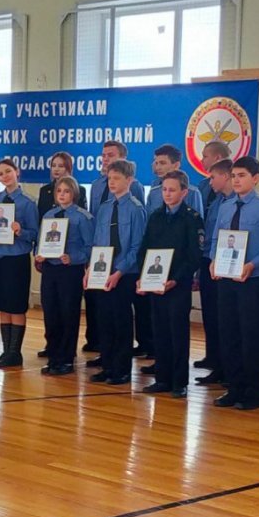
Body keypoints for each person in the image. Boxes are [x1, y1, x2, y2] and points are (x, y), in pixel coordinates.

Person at [210, 156, 259, 410]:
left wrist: (253, 263)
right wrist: (213, 260)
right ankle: (234, 388)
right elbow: (216, 239)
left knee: (251, 336)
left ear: (255, 178)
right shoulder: (225, 206)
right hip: (226, 280)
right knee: (229, 334)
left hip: (253, 281)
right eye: (234, 176)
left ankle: (254, 391)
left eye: (242, 176)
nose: (237, 180)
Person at [138, 170, 204, 398]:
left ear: (184, 192)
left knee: (177, 332)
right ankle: (162, 378)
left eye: (172, 189)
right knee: (160, 331)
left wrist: (175, 279)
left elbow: (194, 255)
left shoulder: (191, 218)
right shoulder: (156, 216)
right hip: (156, 283)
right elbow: (145, 248)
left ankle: (179, 382)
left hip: (178, 284)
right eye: (164, 189)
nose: (167, 194)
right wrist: (142, 275)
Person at [87, 159, 147, 385]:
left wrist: (119, 271)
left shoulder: (135, 208)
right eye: (110, 178)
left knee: (121, 321)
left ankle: (121, 369)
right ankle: (108, 365)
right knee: (104, 320)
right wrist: (91, 268)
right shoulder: (104, 208)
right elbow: (97, 242)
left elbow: (137, 246)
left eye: (117, 179)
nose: (112, 183)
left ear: (129, 180)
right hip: (103, 271)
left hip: (124, 273)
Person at [0, 158, 39, 368]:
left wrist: (20, 231)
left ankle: (15, 352)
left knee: (15, 306)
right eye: (0, 174)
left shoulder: (27, 202)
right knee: (2, 305)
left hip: (16, 259)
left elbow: (35, 234)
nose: (5, 176)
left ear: (17, 172)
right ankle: (6, 351)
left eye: (8, 171)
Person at [37, 177, 94, 375]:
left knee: (68, 313)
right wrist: (40, 253)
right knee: (51, 312)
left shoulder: (82, 217)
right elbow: (42, 240)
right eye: (59, 191)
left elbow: (90, 248)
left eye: (66, 191)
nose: (62, 194)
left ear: (74, 194)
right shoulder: (49, 215)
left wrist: (74, 257)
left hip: (70, 269)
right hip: (50, 268)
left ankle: (66, 358)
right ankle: (53, 355)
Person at [195, 158, 234, 384]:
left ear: (225, 176)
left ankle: (229, 369)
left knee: (228, 320)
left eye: (213, 177)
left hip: (231, 266)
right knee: (212, 316)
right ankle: (217, 364)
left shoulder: (236, 202)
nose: (210, 182)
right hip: (211, 262)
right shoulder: (218, 202)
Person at [145, 144, 204, 216]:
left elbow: (197, 223)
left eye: (162, 163)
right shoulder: (153, 193)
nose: (158, 167)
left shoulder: (192, 193)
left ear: (176, 165)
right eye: (156, 163)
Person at [38, 152, 88, 219]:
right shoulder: (44, 190)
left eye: (61, 166)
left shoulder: (80, 190)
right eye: (53, 165)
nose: (56, 169)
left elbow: (83, 216)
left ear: (68, 168)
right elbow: (40, 217)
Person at [196, 140, 232, 212]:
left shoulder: (237, 188)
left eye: (205, 156)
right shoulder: (203, 185)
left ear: (217, 158)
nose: (201, 160)